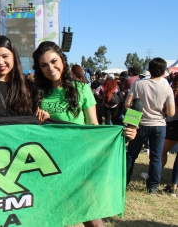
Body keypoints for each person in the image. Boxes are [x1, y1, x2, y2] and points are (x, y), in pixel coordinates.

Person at [32, 42, 136, 227]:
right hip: (46, 163)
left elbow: (93, 126)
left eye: (54, 61)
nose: (50, 68)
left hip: (77, 161)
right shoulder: (37, 93)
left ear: (63, 61)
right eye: (44, 65)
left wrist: (122, 135)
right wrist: (38, 118)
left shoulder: (81, 89)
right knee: (48, 216)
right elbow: (30, 127)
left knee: (91, 216)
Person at [125, 57, 175, 194]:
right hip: (159, 125)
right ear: (164, 71)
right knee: (156, 157)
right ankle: (152, 187)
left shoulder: (138, 84)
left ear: (149, 70)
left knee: (131, 155)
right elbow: (171, 112)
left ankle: (125, 181)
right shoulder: (167, 88)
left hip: (140, 124)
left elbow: (127, 104)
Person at [161, 73, 178, 196]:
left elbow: (169, 111)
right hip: (174, 124)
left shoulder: (172, 91)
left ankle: (155, 175)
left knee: (162, 151)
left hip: (174, 125)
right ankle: (173, 186)